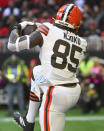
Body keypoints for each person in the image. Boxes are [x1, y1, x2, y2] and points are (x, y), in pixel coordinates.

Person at [7, 3, 87, 131]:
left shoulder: (48, 29)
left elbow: (12, 45)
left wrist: (17, 27)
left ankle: (29, 123)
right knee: (37, 72)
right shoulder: (83, 42)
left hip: (56, 94)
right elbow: (59, 33)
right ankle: (29, 121)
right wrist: (36, 26)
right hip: (73, 90)